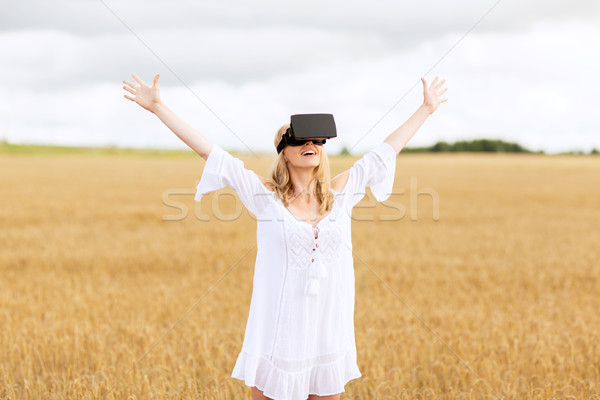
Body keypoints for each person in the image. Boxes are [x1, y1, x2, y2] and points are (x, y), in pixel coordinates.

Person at [122, 74, 447, 400]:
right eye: (300, 140)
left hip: (327, 331)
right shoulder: (265, 196)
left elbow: (385, 151)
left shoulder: (342, 192)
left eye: (318, 141)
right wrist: (158, 107)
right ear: (284, 152)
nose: (311, 145)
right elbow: (211, 152)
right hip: (281, 334)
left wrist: (426, 108)